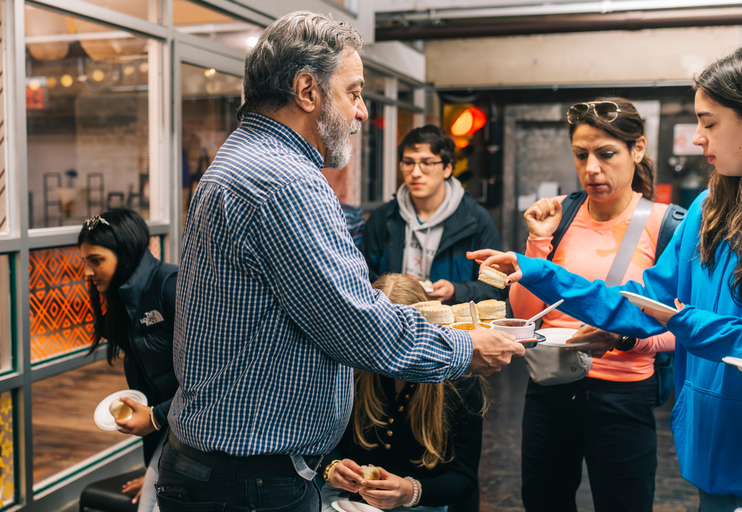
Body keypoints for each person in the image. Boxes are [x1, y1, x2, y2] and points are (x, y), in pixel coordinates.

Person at [157, 11, 523, 512]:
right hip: (250, 482)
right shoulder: (285, 182)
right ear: (308, 91)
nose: (361, 113)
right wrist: (463, 351)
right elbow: (355, 323)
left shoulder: (238, 158)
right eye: (353, 92)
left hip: (224, 468)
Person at [469, 44, 742, 512]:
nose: (697, 137)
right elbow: (641, 303)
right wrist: (535, 269)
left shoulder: (673, 218)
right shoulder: (707, 213)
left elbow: (681, 321)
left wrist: (681, 322)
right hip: (708, 441)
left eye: (709, 122)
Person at [507, 97, 676, 512]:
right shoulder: (559, 215)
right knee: (544, 502)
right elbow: (527, 314)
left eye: (606, 154)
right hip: (551, 387)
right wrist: (538, 241)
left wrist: (624, 339)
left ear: (637, 150)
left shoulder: (668, 224)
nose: (591, 169)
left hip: (624, 395)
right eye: (581, 155)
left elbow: (681, 324)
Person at [321, 274, 485, 511]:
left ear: (426, 332)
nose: (391, 355)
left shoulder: (459, 381)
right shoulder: (352, 370)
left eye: (401, 341)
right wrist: (332, 467)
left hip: (427, 502)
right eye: (379, 340)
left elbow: (464, 479)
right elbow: (323, 444)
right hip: (351, 500)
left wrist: (411, 492)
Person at [79, 208, 178, 512]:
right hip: (167, 435)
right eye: (86, 261)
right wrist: (152, 470)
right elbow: (149, 389)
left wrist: (154, 417)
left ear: (126, 253)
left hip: (195, 435)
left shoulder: (170, 285)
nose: (87, 272)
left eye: (96, 261)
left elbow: (212, 380)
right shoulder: (122, 299)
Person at [362, 125, 505, 304]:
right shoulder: (384, 218)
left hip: (452, 326)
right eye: (408, 163)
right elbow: (361, 278)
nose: (415, 173)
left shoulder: (475, 220)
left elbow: (498, 287)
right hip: (397, 321)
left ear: (447, 168)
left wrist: (456, 291)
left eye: (427, 163)